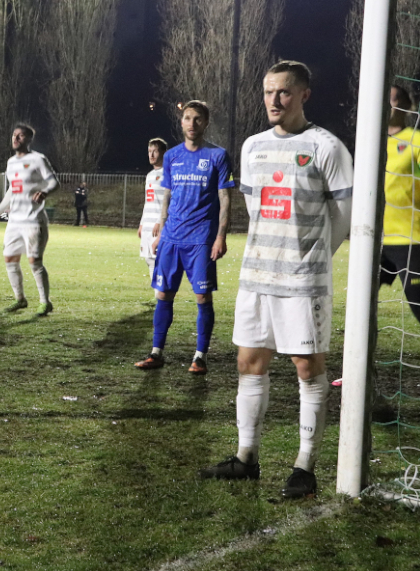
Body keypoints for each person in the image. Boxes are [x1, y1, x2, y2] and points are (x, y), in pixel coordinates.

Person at [199, 61, 353, 499]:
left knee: (308, 368)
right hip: (257, 277)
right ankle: (246, 458)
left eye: (283, 92)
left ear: (304, 94)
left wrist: (313, 254)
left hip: (303, 282)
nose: (273, 100)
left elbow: (344, 217)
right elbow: (256, 207)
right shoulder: (252, 147)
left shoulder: (327, 147)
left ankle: (305, 467)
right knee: (249, 365)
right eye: (268, 92)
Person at [134, 101, 233, 375]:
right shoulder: (173, 157)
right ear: (181, 122)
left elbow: (225, 198)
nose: (192, 124)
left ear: (206, 123)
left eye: (198, 119)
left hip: (201, 238)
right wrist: (162, 231)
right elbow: (166, 195)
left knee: (202, 297)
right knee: (163, 294)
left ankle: (200, 356)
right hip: (172, 238)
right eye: (187, 118)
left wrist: (220, 236)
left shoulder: (218, 156)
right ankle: (157, 352)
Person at [0, 123, 59, 316]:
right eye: (14, 135)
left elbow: (53, 181)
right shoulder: (11, 163)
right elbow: (12, 190)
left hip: (33, 219)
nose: (15, 138)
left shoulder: (37, 159)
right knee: (10, 258)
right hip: (15, 221)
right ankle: (20, 299)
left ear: (28, 139)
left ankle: (45, 302)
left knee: (34, 261)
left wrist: (44, 191)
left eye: (20, 136)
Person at [380, 85, 420, 323]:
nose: (388, 105)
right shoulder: (370, 144)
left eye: (393, 100)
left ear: (406, 107)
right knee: (359, 299)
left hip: (410, 240)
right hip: (374, 241)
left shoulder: (415, 141)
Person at [139, 138, 168, 284]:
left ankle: (163, 296)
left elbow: (167, 201)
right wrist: (142, 223)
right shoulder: (149, 176)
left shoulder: (167, 174)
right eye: (149, 151)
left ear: (163, 152)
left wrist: (159, 222)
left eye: (155, 151)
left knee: (160, 260)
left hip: (159, 225)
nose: (151, 155)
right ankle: (158, 295)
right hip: (148, 226)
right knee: (149, 260)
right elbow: (148, 201)